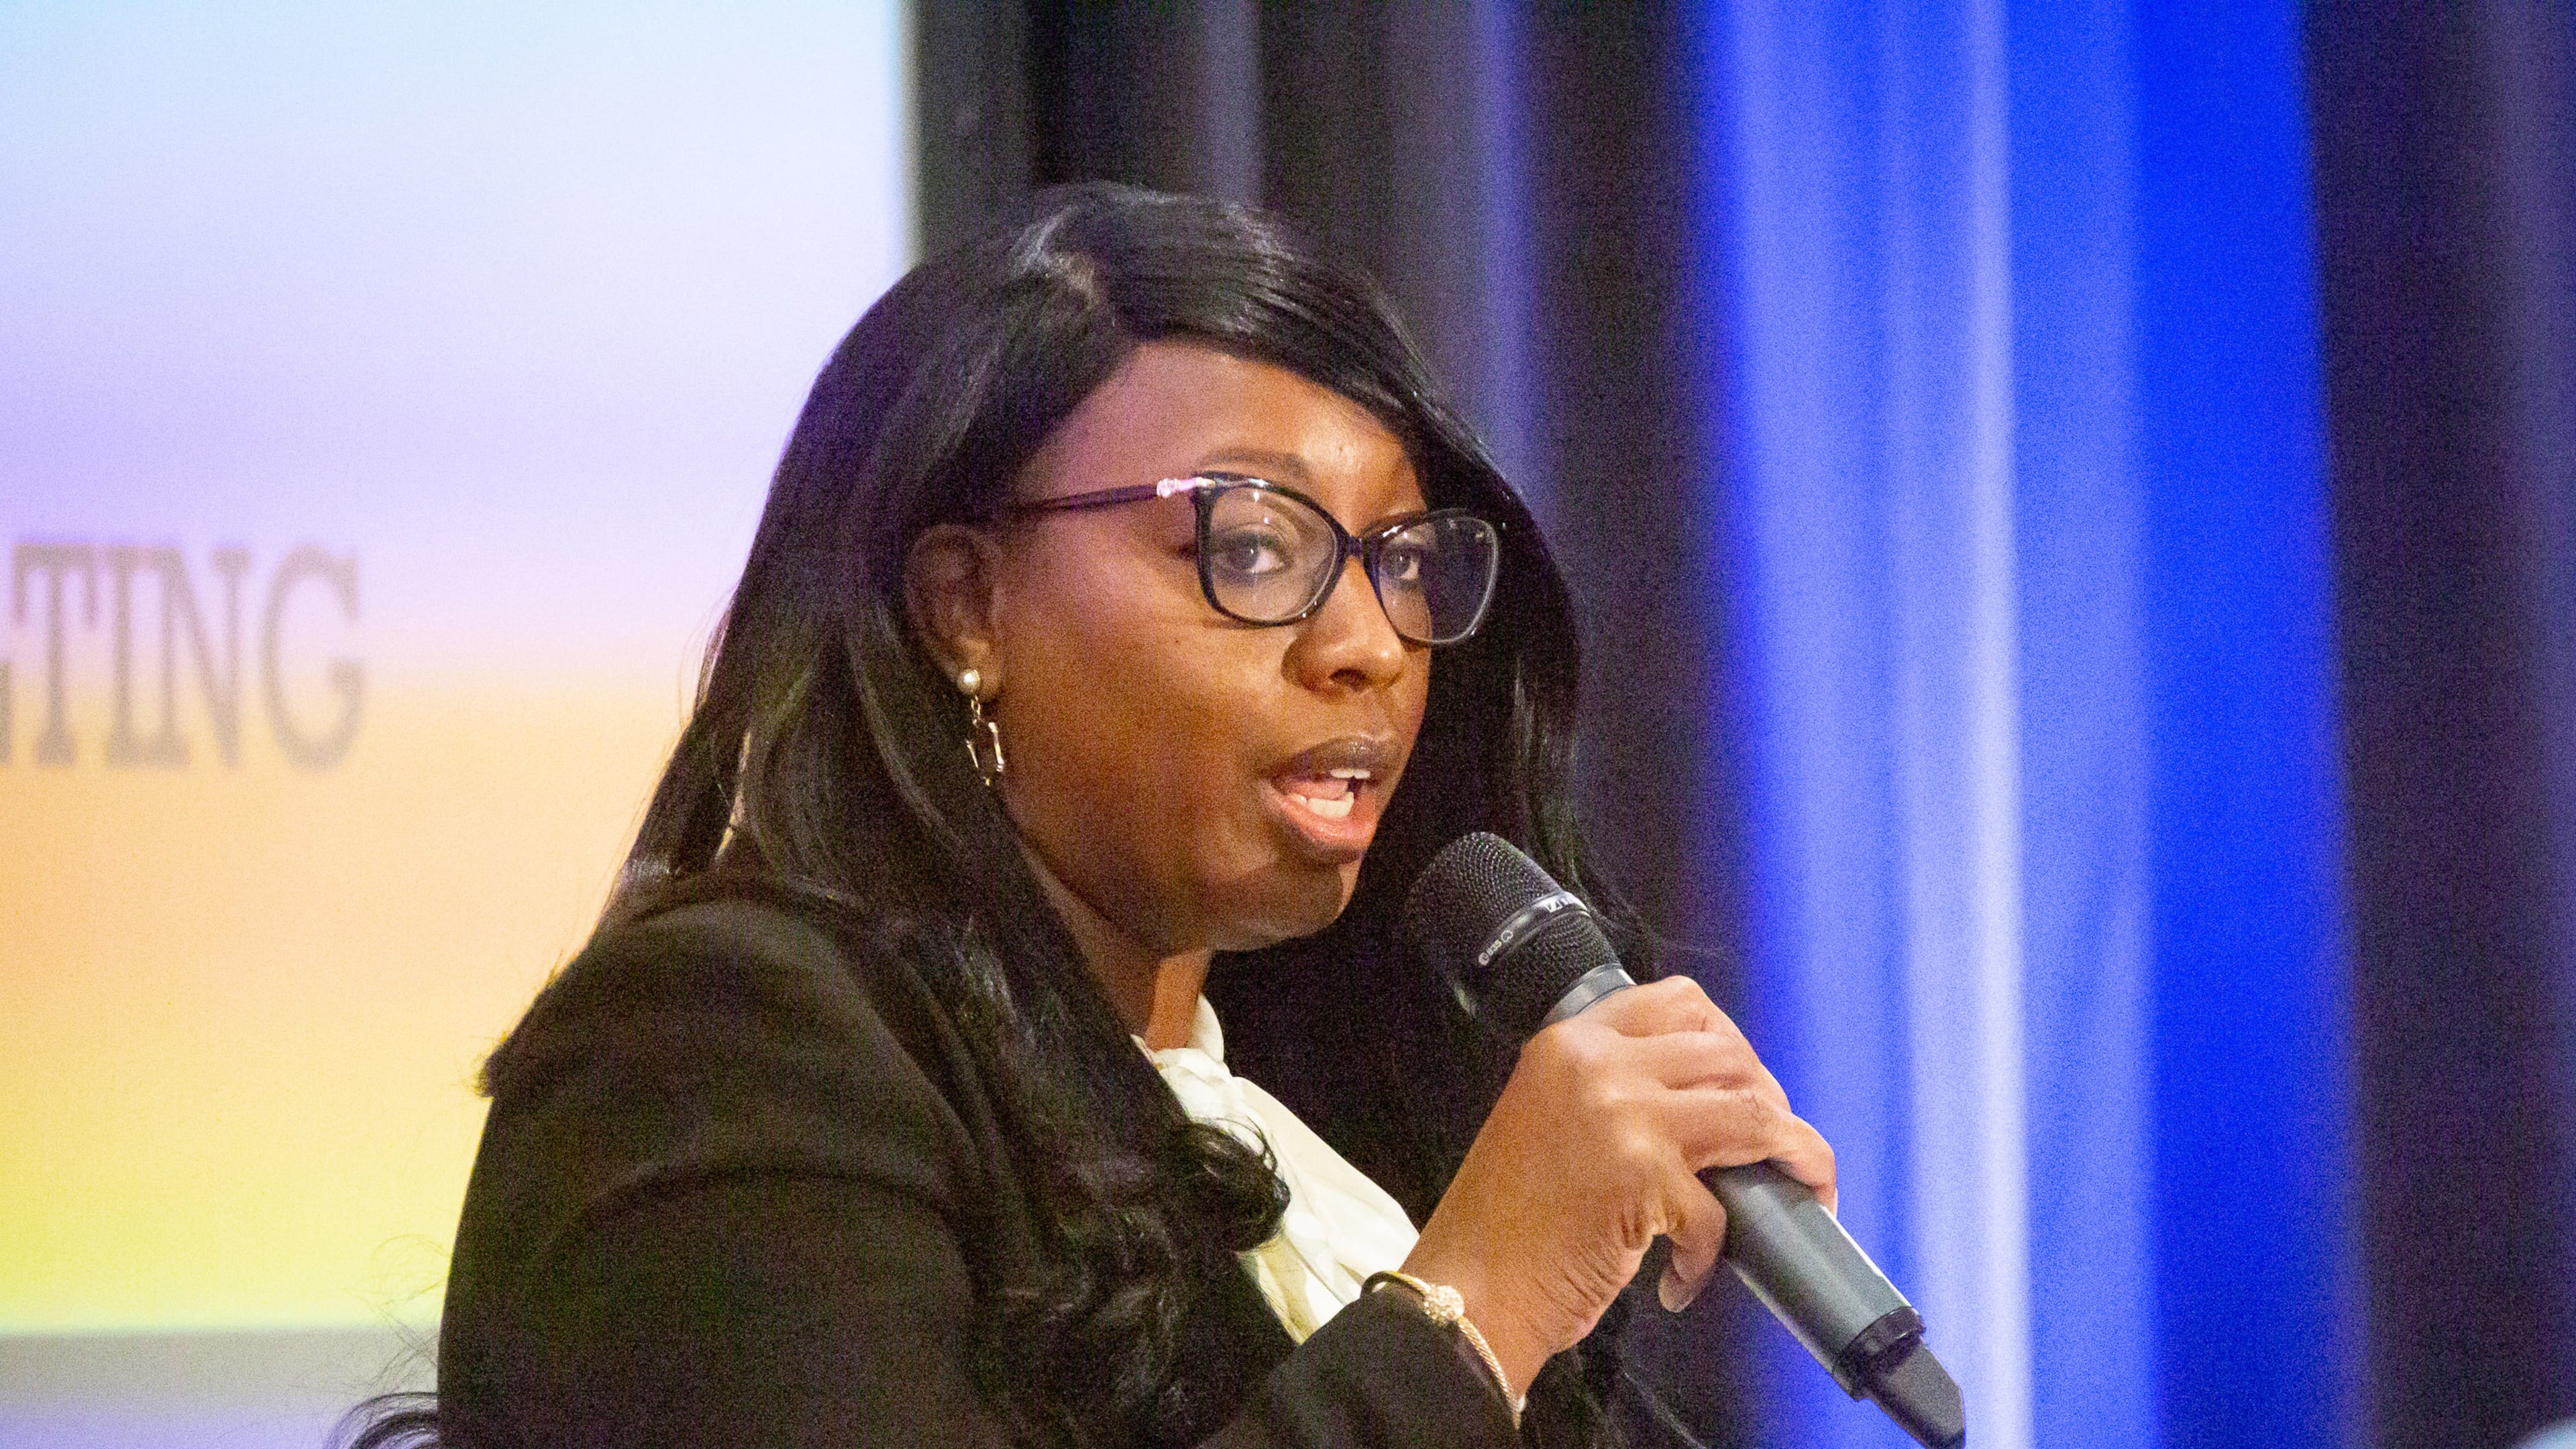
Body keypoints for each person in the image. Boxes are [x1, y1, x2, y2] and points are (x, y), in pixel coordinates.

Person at [345, 184, 1834, 1449]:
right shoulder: (718, 1048)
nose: (1369, 643)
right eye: (1254, 548)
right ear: (967, 605)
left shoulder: (1326, 1139)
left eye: (1399, 559)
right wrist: (1475, 1305)